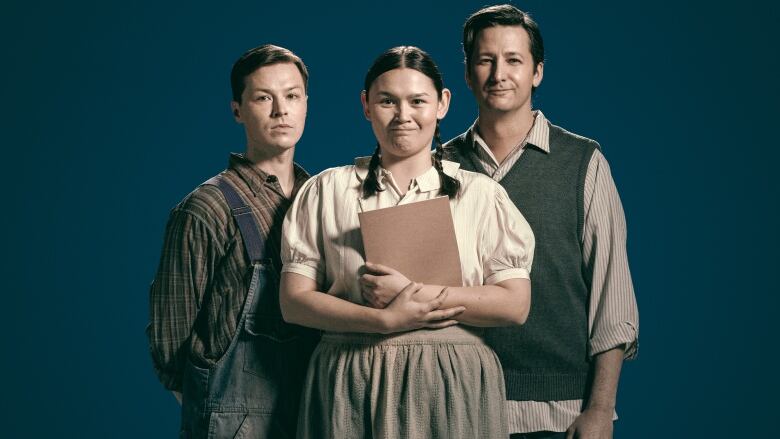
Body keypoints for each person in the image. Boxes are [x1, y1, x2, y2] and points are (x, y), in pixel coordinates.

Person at [279, 46, 535, 438]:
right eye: (387, 101)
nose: (403, 116)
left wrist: (412, 294)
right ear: (366, 105)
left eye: (418, 101)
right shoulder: (325, 191)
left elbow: (515, 304)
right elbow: (294, 302)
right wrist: (382, 320)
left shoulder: (481, 196)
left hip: (453, 382)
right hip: (351, 376)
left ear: (442, 103)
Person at [442, 5, 640, 439]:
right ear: (468, 73)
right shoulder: (439, 166)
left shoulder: (583, 162)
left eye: (514, 60)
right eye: (485, 60)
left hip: (558, 412)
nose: (499, 73)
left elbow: (612, 297)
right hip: (455, 404)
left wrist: (601, 409)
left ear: (537, 72)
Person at [147, 44, 317, 438]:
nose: (281, 110)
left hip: (313, 415)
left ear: (306, 103)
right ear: (238, 110)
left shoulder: (320, 198)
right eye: (263, 98)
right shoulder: (207, 207)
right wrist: (221, 418)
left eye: (292, 96)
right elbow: (169, 343)